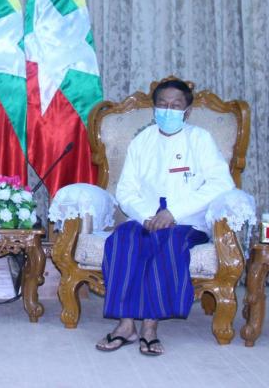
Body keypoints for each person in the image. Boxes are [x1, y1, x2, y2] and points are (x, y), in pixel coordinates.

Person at [95, 79, 234, 356]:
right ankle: (126, 325)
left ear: (187, 111)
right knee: (122, 240)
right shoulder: (142, 141)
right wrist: (146, 215)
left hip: (187, 221)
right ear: (154, 108)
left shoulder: (200, 139)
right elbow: (125, 190)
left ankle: (150, 327)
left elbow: (222, 183)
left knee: (166, 244)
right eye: (162, 104)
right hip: (144, 218)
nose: (168, 110)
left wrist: (174, 212)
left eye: (175, 105)